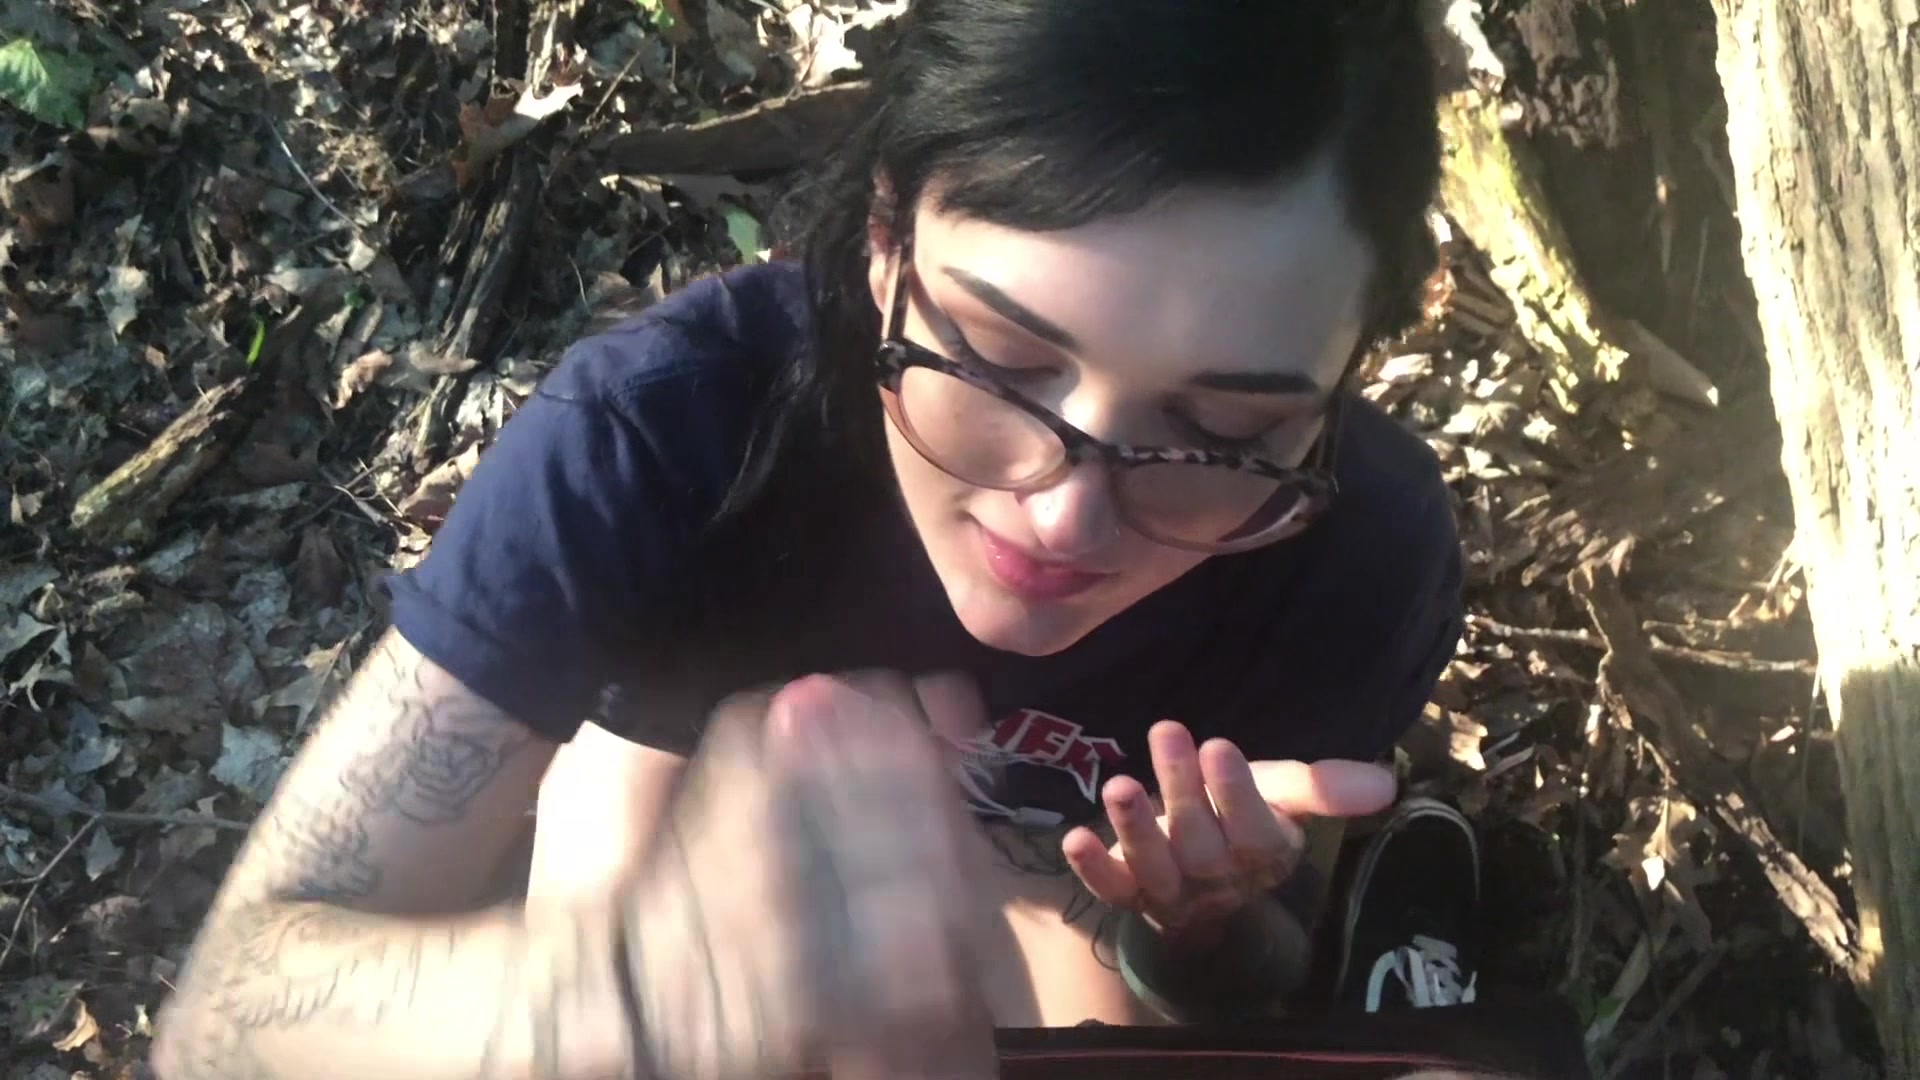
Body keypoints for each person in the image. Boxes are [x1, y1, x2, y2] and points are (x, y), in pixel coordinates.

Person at [147, 1, 1531, 1077]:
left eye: (1225, 434)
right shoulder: (665, 431)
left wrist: (1207, 932)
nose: (1065, 512)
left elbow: (1240, 978)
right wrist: (622, 1005)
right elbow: (223, 1016)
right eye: (996, 358)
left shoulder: (1363, 550)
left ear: (1343, 382)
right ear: (883, 240)